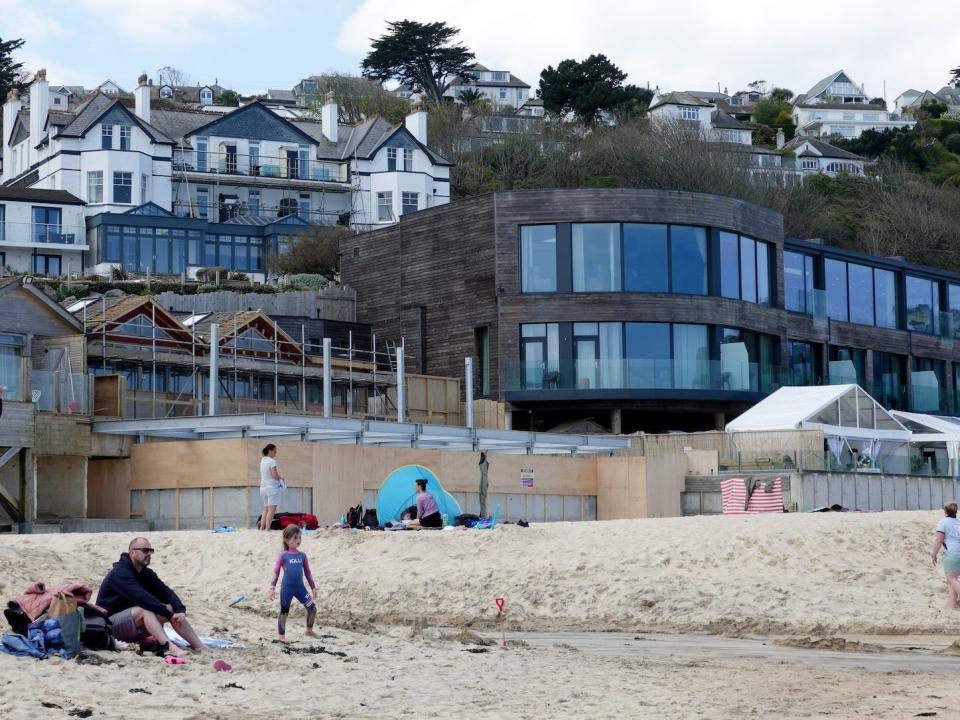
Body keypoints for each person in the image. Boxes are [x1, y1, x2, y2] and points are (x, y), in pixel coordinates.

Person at [96, 537, 203, 658]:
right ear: (132, 552)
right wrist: (168, 615)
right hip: (109, 626)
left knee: (171, 609)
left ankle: (200, 646)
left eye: (150, 551)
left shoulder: (146, 573)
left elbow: (166, 592)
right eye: (145, 550)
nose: (149, 554)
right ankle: (171, 647)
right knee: (145, 610)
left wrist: (179, 610)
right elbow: (142, 598)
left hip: (131, 624)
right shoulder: (120, 573)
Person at [269, 525, 318, 642]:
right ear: (286, 539)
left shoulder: (302, 556)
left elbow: (308, 573)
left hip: (300, 588)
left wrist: (313, 587)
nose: (298, 540)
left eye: (300, 538)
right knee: (284, 611)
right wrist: (272, 588)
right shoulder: (283, 556)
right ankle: (281, 636)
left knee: (312, 608)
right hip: (287, 588)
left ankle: (309, 630)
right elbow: (276, 572)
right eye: (295, 538)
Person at [932, 501, 960, 609]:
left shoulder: (943, 522)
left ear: (945, 511)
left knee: (951, 578)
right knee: (952, 580)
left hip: (952, 553)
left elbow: (939, 539)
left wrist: (934, 554)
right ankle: (951, 606)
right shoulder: (958, 522)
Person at [259, 443, 285, 531]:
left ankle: (262, 527)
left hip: (263, 487)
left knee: (265, 509)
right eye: (275, 451)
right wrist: (281, 478)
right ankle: (267, 528)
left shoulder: (263, 460)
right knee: (271, 510)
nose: (276, 453)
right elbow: (274, 475)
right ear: (270, 451)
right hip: (271, 488)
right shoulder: (272, 461)